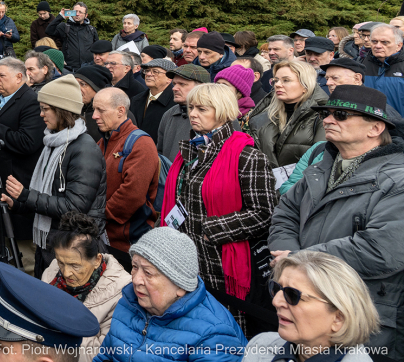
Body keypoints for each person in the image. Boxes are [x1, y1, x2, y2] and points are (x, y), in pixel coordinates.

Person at [269, 85, 404, 359]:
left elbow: (382, 249)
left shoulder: (398, 180)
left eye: (340, 114)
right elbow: (285, 215)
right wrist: (289, 257)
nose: (328, 120)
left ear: (375, 128)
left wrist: (298, 259)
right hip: (306, 305)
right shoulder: (320, 167)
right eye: (326, 114)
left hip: (364, 313)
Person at [159, 83, 277, 331]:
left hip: (222, 265)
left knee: (226, 328)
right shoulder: (190, 150)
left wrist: (208, 230)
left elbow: (264, 214)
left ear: (222, 111)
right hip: (187, 259)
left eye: (202, 108)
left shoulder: (247, 155)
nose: (192, 114)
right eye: (191, 107)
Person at [0, 76, 107, 276]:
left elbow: (74, 207)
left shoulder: (83, 149)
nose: (41, 114)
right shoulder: (53, 144)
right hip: (54, 244)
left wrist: (25, 195)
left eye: (45, 108)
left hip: (75, 250)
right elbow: (48, 195)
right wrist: (17, 202)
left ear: (61, 110)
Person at [94, 227, 247, 362]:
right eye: (134, 267)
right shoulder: (129, 303)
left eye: (148, 272)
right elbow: (105, 356)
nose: (135, 279)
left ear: (180, 286)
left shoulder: (214, 335)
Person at [243, 251, 379, 362]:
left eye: (292, 295)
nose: (276, 302)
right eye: (276, 288)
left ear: (338, 318)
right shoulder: (260, 346)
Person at [0, 56, 45, 273]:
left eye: (1, 75)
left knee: (22, 258)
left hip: (16, 188)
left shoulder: (31, 101)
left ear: (19, 77)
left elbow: (28, 142)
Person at [39, 213, 130, 362]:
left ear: (97, 260)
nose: (66, 273)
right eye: (61, 262)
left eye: (75, 266)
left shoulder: (121, 291)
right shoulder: (52, 272)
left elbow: (102, 353)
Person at [92, 88, 158, 271]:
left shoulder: (141, 144)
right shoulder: (103, 141)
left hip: (127, 243)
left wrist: (98, 216)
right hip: (103, 237)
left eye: (101, 110)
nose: (94, 116)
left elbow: (132, 195)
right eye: (94, 110)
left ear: (121, 111)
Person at [247, 60, 324, 168]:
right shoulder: (263, 115)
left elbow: (320, 161)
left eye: (286, 80)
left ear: (305, 85)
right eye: (276, 80)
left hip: (302, 182)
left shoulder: (323, 115)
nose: (278, 85)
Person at [128, 58, 176, 141]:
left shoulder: (175, 102)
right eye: (147, 71)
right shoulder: (136, 99)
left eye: (155, 71)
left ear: (169, 78)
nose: (149, 74)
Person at [46, 3, 100, 71]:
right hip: (69, 68)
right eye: (75, 11)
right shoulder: (64, 27)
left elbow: (97, 49)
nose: (77, 14)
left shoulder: (91, 29)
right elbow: (49, 30)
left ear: (86, 15)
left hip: (88, 68)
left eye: (80, 12)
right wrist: (61, 16)